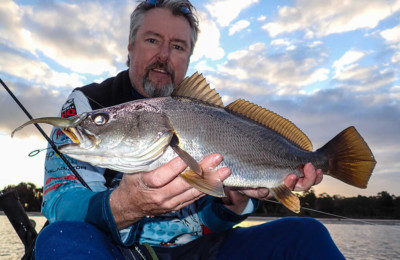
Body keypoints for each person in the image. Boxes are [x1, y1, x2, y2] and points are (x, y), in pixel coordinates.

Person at [35, 0, 345, 259]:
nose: (164, 55)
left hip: (195, 250)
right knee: (59, 238)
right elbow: (60, 202)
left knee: (306, 234)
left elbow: (207, 222)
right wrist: (123, 206)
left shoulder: (208, 116)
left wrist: (233, 203)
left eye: (178, 46)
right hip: (113, 247)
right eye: (153, 40)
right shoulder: (87, 104)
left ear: (188, 57)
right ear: (131, 46)